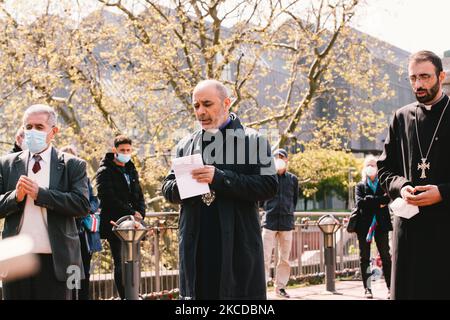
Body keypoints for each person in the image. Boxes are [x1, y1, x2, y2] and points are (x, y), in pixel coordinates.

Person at [162, 79, 278, 300]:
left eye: (207, 104)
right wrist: (188, 183)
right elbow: (168, 189)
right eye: (196, 106)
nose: (201, 112)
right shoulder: (185, 144)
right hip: (196, 246)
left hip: (236, 246)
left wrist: (220, 178)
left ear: (226, 103)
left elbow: (269, 186)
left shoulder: (254, 141)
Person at [378, 50, 450, 299]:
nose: (418, 84)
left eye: (425, 77)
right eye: (413, 78)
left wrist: (442, 192)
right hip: (409, 232)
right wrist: (402, 186)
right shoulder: (401, 117)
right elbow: (384, 169)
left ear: (441, 76)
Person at [0, 104, 90, 300]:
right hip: (16, 258)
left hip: (57, 261)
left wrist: (41, 194)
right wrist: (15, 197)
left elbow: (83, 205)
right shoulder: (6, 164)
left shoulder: (73, 164)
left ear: (54, 131)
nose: (32, 132)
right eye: (28, 127)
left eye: (39, 127)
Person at [96, 135, 145, 299]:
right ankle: (125, 295)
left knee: (134, 261)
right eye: (122, 150)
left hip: (134, 225)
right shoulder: (104, 171)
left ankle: (134, 293)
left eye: (128, 150)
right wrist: (131, 213)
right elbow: (107, 197)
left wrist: (140, 213)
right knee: (120, 261)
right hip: (115, 224)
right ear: (114, 150)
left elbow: (139, 194)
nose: (126, 153)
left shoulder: (131, 169)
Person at [60, 145, 100, 300]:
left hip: (84, 234)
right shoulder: (58, 180)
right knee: (71, 271)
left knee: (85, 271)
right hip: (68, 232)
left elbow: (93, 200)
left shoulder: (84, 177)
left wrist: (87, 209)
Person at [261, 148, 298, 299]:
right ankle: (261, 288)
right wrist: (269, 209)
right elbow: (261, 200)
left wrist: (288, 211)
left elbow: (294, 200)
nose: (279, 159)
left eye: (282, 157)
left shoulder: (293, 179)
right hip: (269, 221)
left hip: (286, 222)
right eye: (276, 157)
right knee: (264, 257)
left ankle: (280, 287)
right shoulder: (267, 177)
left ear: (287, 160)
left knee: (284, 258)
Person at [355, 155, 392, 299]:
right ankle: (367, 289)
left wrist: (370, 200)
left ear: (377, 168)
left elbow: (387, 199)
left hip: (381, 225)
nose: (371, 167)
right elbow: (360, 204)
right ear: (364, 168)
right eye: (368, 165)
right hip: (364, 226)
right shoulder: (360, 186)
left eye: (373, 165)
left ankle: (390, 288)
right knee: (364, 257)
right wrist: (378, 202)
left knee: (385, 256)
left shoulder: (383, 184)